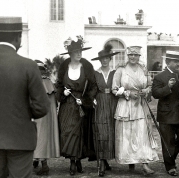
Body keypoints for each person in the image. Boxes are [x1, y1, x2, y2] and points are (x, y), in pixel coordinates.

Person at [0, 16, 49, 178]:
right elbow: (42, 106)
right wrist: (23, 113)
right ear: (18, 37)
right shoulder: (28, 66)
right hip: (20, 138)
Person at [112, 46, 159, 175]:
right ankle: (130, 160)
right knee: (127, 135)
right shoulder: (121, 70)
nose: (133, 57)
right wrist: (127, 93)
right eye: (131, 55)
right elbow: (114, 89)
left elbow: (150, 84)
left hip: (140, 107)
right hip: (125, 107)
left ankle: (145, 164)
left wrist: (146, 90)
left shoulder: (144, 69)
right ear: (128, 56)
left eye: (136, 55)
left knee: (142, 135)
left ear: (139, 56)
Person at [56, 36, 96, 176]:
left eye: (80, 51)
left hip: (81, 107)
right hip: (67, 106)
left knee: (79, 134)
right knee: (67, 133)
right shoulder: (64, 67)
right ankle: (73, 159)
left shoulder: (87, 66)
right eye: (76, 52)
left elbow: (93, 87)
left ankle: (76, 161)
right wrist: (63, 93)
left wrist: (85, 100)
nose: (79, 54)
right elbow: (58, 87)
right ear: (70, 53)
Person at [152, 51, 179, 176]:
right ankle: (170, 166)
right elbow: (155, 94)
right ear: (167, 62)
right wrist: (168, 87)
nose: (178, 64)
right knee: (168, 141)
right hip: (166, 115)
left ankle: (170, 158)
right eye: (175, 62)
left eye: (178, 61)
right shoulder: (159, 77)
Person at [90, 44, 119, 177]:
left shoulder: (116, 73)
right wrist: (93, 98)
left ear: (110, 59)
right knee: (101, 132)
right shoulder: (95, 74)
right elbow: (92, 90)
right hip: (100, 102)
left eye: (107, 58)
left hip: (113, 102)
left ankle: (106, 159)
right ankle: (101, 162)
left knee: (111, 131)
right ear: (99, 60)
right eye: (102, 59)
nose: (104, 60)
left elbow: (120, 87)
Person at [32, 60, 60, 175]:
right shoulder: (49, 82)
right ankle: (37, 162)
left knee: (39, 139)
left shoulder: (37, 83)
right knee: (43, 139)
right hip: (48, 117)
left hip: (39, 116)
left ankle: (44, 165)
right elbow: (55, 103)